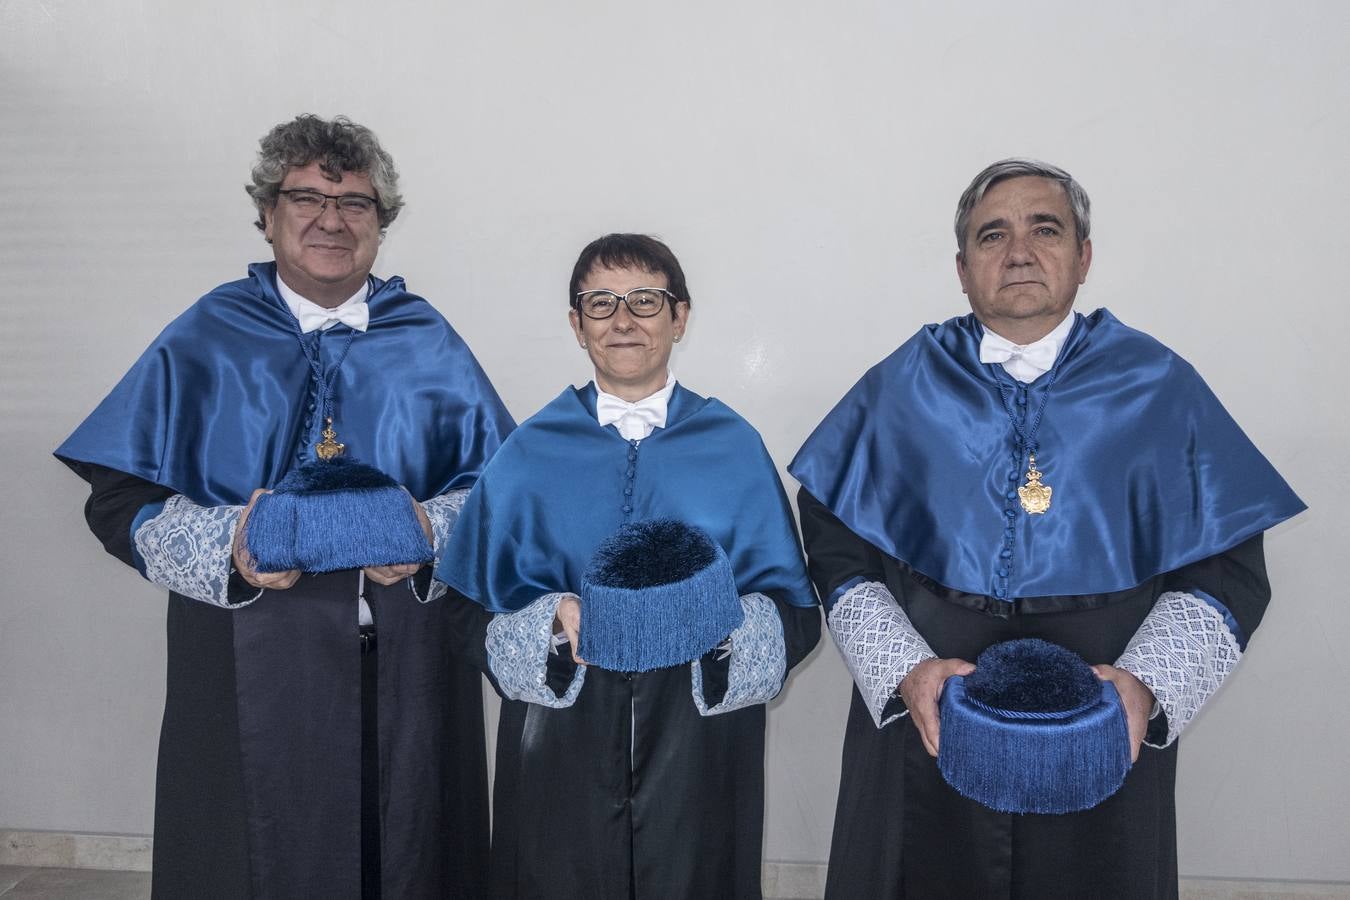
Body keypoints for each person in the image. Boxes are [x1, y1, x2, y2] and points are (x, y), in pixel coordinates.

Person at [789, 159, 1305, 898]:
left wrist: (1145, 687)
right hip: (929, 715)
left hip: (1103, 716)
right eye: (992, 234)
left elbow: (1226, 567)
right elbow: (838, 547)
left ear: (1084, 256)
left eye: (1045, 229)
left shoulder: (1158, 386)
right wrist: (904, 669)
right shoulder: (902, 386)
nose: (1020, 250)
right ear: (963, 269)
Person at [55, 114, 514, 899]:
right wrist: (227, 543)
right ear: (268, 214)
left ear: (381, 225)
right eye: (306, 197)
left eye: (356, 205)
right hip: (245, 665)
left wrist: (428, 530)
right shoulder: (208, 335)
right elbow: (119, 499)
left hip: (406, 670)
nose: (331, 220)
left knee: (405, 860)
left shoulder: (426, 340)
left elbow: (502, 496)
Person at [436, 233, 821, 899]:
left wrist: (716, 628)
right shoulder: (528, 452)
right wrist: (551, 624)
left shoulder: (733, 446)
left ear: (680, 317)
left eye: (645, 301)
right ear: (576, 325)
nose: (623, 319)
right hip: (561, 742)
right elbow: (463, 612)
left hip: (700, 744)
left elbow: (794, 615)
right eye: (601, 303)